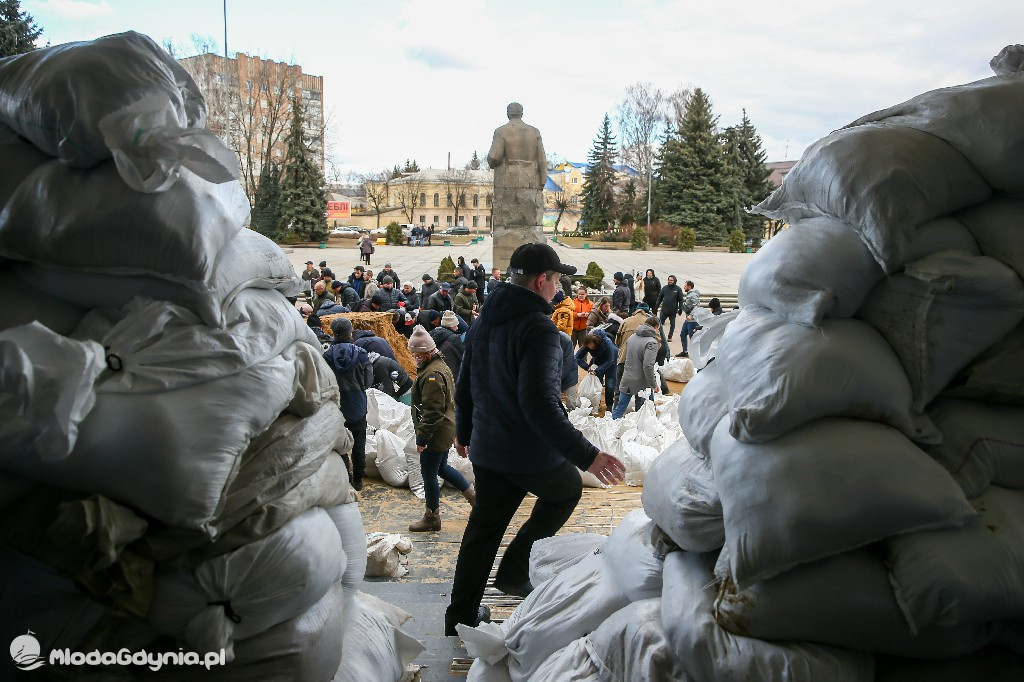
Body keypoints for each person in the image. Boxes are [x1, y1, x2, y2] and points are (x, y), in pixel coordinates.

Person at [445, 243, 625, 636]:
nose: (558, 289)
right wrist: (588, 456)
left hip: (489, 448)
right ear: (541, 280)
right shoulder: (539, 329)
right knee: (566, 490)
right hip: (525, 451)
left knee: (482, 533)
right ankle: (514, 569)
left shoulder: (484, 319)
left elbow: (465, 381)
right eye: (557, 280)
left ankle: (460, 616)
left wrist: (465, 431)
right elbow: (540, 403)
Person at [406, 325, 477, 532]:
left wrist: (423, 438)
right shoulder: (438, 365)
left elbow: (433, 411)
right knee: (442, 468)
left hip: (436, 433)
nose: (414, 358)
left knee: (429, 474)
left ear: (426, 353)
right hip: (445, 428)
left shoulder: (433, 375)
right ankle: (474, 498)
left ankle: (432, 517)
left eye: (416, 354)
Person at [323, 318, 373, 490]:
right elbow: (368, 380)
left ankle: (345, 477)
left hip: (336, 406)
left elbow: (324, 382)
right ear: (350, 332)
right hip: (357, 404)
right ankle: (358, 479)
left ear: (333, 333)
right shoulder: (361, 354)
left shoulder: (327, 356)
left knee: (339, 445)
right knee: (359, 443)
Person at [612, 316, 661, 419]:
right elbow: (648, 365)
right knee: (647, 411)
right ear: (656, 327)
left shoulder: (632, 337)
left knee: (620, 407)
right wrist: (653, 384)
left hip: (627, 377)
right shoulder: (652, 342)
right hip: (642, 383)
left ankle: (612, 426)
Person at [576, 327, 619, 411]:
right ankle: (596, 403)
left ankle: (609, 404)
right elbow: (578, 357)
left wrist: (597, 370)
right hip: (597, 360)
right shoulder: (587, 343)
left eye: (592, 346)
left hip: (611, 361)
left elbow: (610, 360)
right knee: (596, 383)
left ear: (597, 343)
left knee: (610, 384)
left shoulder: (607, 342)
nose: (590, 347)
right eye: (589, 345)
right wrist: (587, 367)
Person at [431, 314, 466, 380]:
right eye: (456, 325)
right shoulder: (454, 339)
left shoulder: (432, 335)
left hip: (439, 374)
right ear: (451, 326)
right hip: (453, 375)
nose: (457, 328)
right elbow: (464, 357)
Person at [656, 275, 684, 341]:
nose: (670, 281)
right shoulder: (664, 288)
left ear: (675, 281)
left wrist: (680, 308)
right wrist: (656, 306)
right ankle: (659, 335)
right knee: (659, 323)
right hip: (664, 310)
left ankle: (670, 336)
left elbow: (681, 300)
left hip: (673, 310)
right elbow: (660, 297)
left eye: (671, 280)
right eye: (669, 280)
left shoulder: (678, 289)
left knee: (672, 324)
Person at [679, 280, 701, 357]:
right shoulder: (690, 294)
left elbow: (697, 306)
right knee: (683, 334)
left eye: (685, 286)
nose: (684, 287)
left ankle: (697, 353)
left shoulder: (693, 295)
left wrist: (691, 315)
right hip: (688, 320)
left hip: (692, 320)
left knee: (693, 337)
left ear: (689, 286)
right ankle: (685, 351)